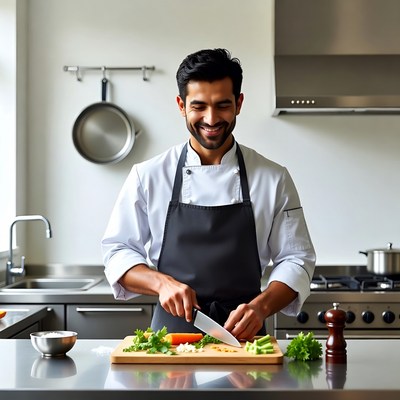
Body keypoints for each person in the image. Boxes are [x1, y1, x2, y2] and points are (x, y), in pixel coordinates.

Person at [101, 48, 316, 340]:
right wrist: (161, 283)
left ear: (239, 103)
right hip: (171, 342)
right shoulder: (148, 175)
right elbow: (117, 252)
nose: (211, 119)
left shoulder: (273, 178)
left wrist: (261, 307)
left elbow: (296, 259)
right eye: (199, 106)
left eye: (223, 105)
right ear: (181, 105)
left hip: (245, 340)